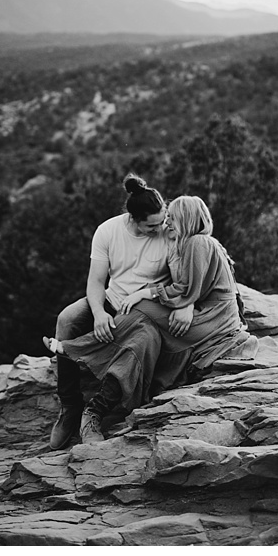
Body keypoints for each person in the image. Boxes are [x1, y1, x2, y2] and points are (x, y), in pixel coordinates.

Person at [42, 175, 191, 449]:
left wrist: (186, 304)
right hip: (111, 299)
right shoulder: (108, 231)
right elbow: (96, 281)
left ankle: (94, 412)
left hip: (145, 309)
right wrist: (98, 313)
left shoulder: (169, 235)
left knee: (140, 340)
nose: (160, 227)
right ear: (133, 218)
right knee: (67, 319)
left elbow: (183, 282)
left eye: (164, 220)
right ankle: (70, 408)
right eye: (152, 224)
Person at [116, 195, 256, 394]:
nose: (167, 221)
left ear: (186, 219)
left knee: (139, 307)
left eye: (172, 217)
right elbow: (194, 289)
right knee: (142, 321)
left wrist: (145, 293)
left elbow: (186, 289)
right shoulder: (201, 242)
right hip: (216, 318)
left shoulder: (197, 243)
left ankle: (91, 349)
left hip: (214, 322)